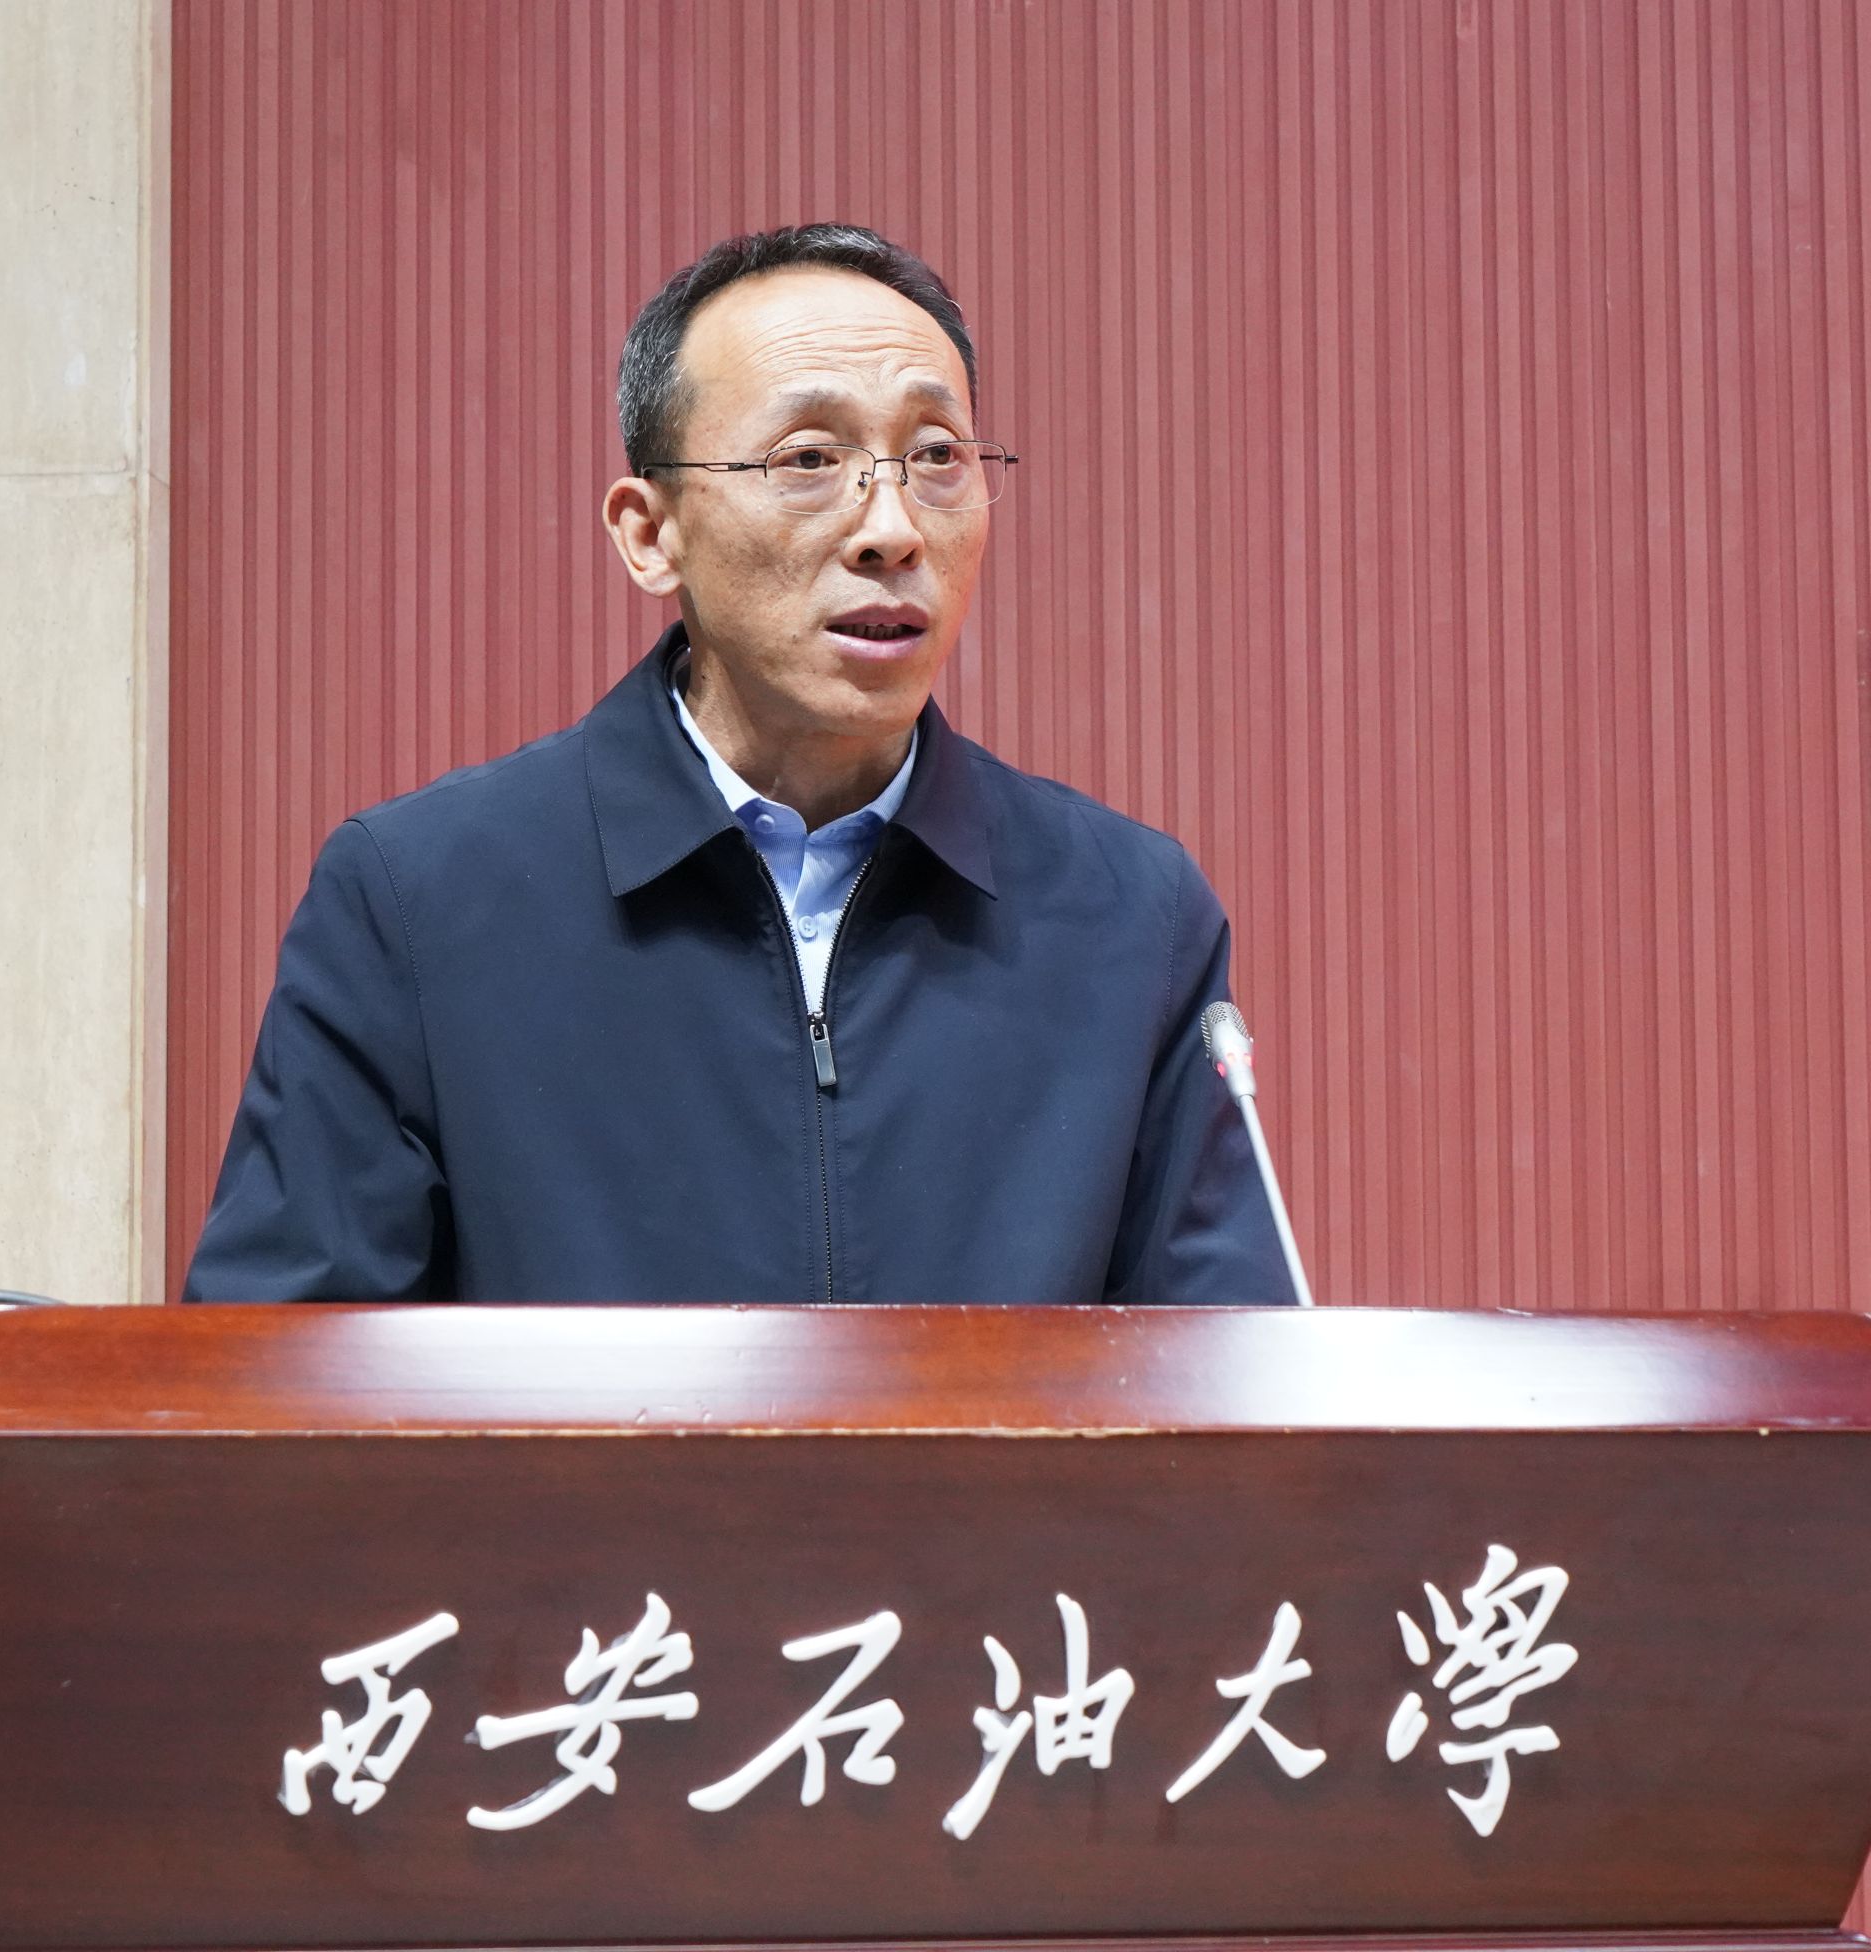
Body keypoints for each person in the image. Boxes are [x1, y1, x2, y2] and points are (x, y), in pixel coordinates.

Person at [184, 223, 1294, 1305]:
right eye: (809, 459)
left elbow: (1229, 1384)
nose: (893, 528)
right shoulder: (419, 901)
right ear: (648, 533)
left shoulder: (1127, 917)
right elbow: (277, 1383)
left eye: (936, 457)